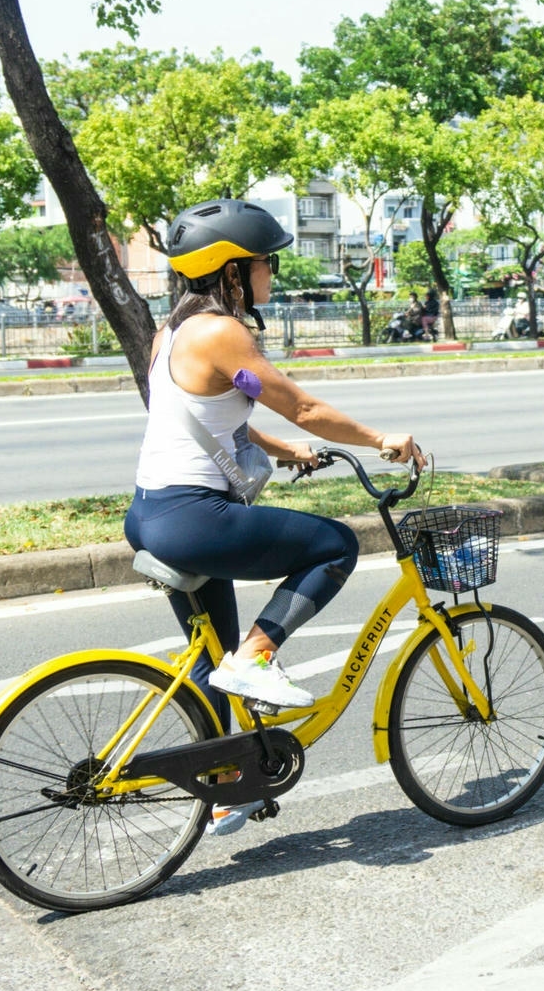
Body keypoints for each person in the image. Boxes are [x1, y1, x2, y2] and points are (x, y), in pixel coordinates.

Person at [124, 200, 421, 830]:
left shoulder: (171, 331)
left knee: (213, 659)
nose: (273, 273)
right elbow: (303, 407)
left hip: (151, 511)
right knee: (335, 545)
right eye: (267, 262)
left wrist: (277, 448)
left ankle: (230, 784)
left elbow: (198, 412)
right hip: (195, 517)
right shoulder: (223, 332)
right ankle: (259, 659)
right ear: (234, 269)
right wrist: (381, 440)